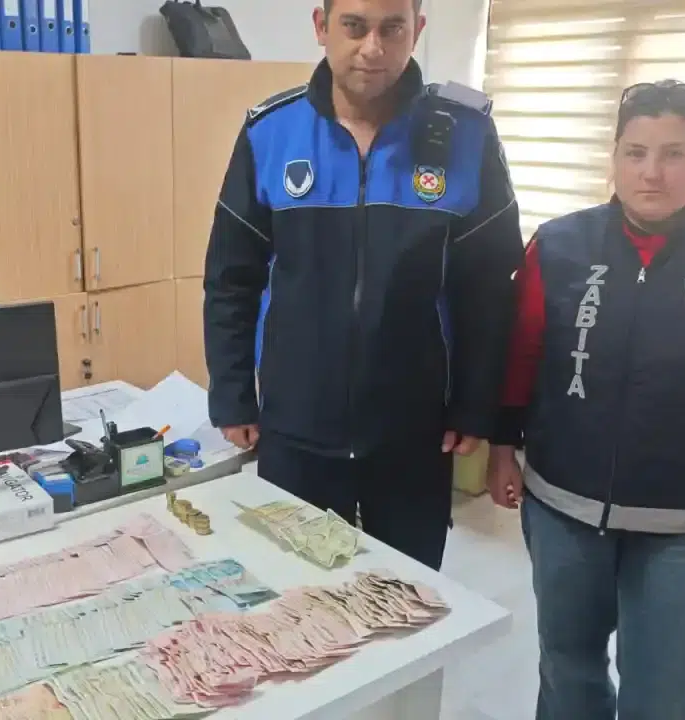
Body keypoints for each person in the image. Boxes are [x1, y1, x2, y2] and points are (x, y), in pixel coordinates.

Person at [486, 80, 685, 719]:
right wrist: (502, 447)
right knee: (568, 669)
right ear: (614, 157)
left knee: (668, 692)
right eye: (635, 153)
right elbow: (522, 354)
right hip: (562, 509)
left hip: (684, 526)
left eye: (674, 154)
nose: (652, 173)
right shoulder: (560, 244)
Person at [203, 0, 523, 570]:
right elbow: (231, 278)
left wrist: (477, 405)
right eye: (354, 26)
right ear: (321, 27)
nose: (373, 48)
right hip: (295, 427)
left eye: (392, 28)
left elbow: (491, 288)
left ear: (416, 31)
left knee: (405, 597)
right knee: (294, 593)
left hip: (414, 432)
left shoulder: (467, 136)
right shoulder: (270, 133)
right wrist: (231, 394)